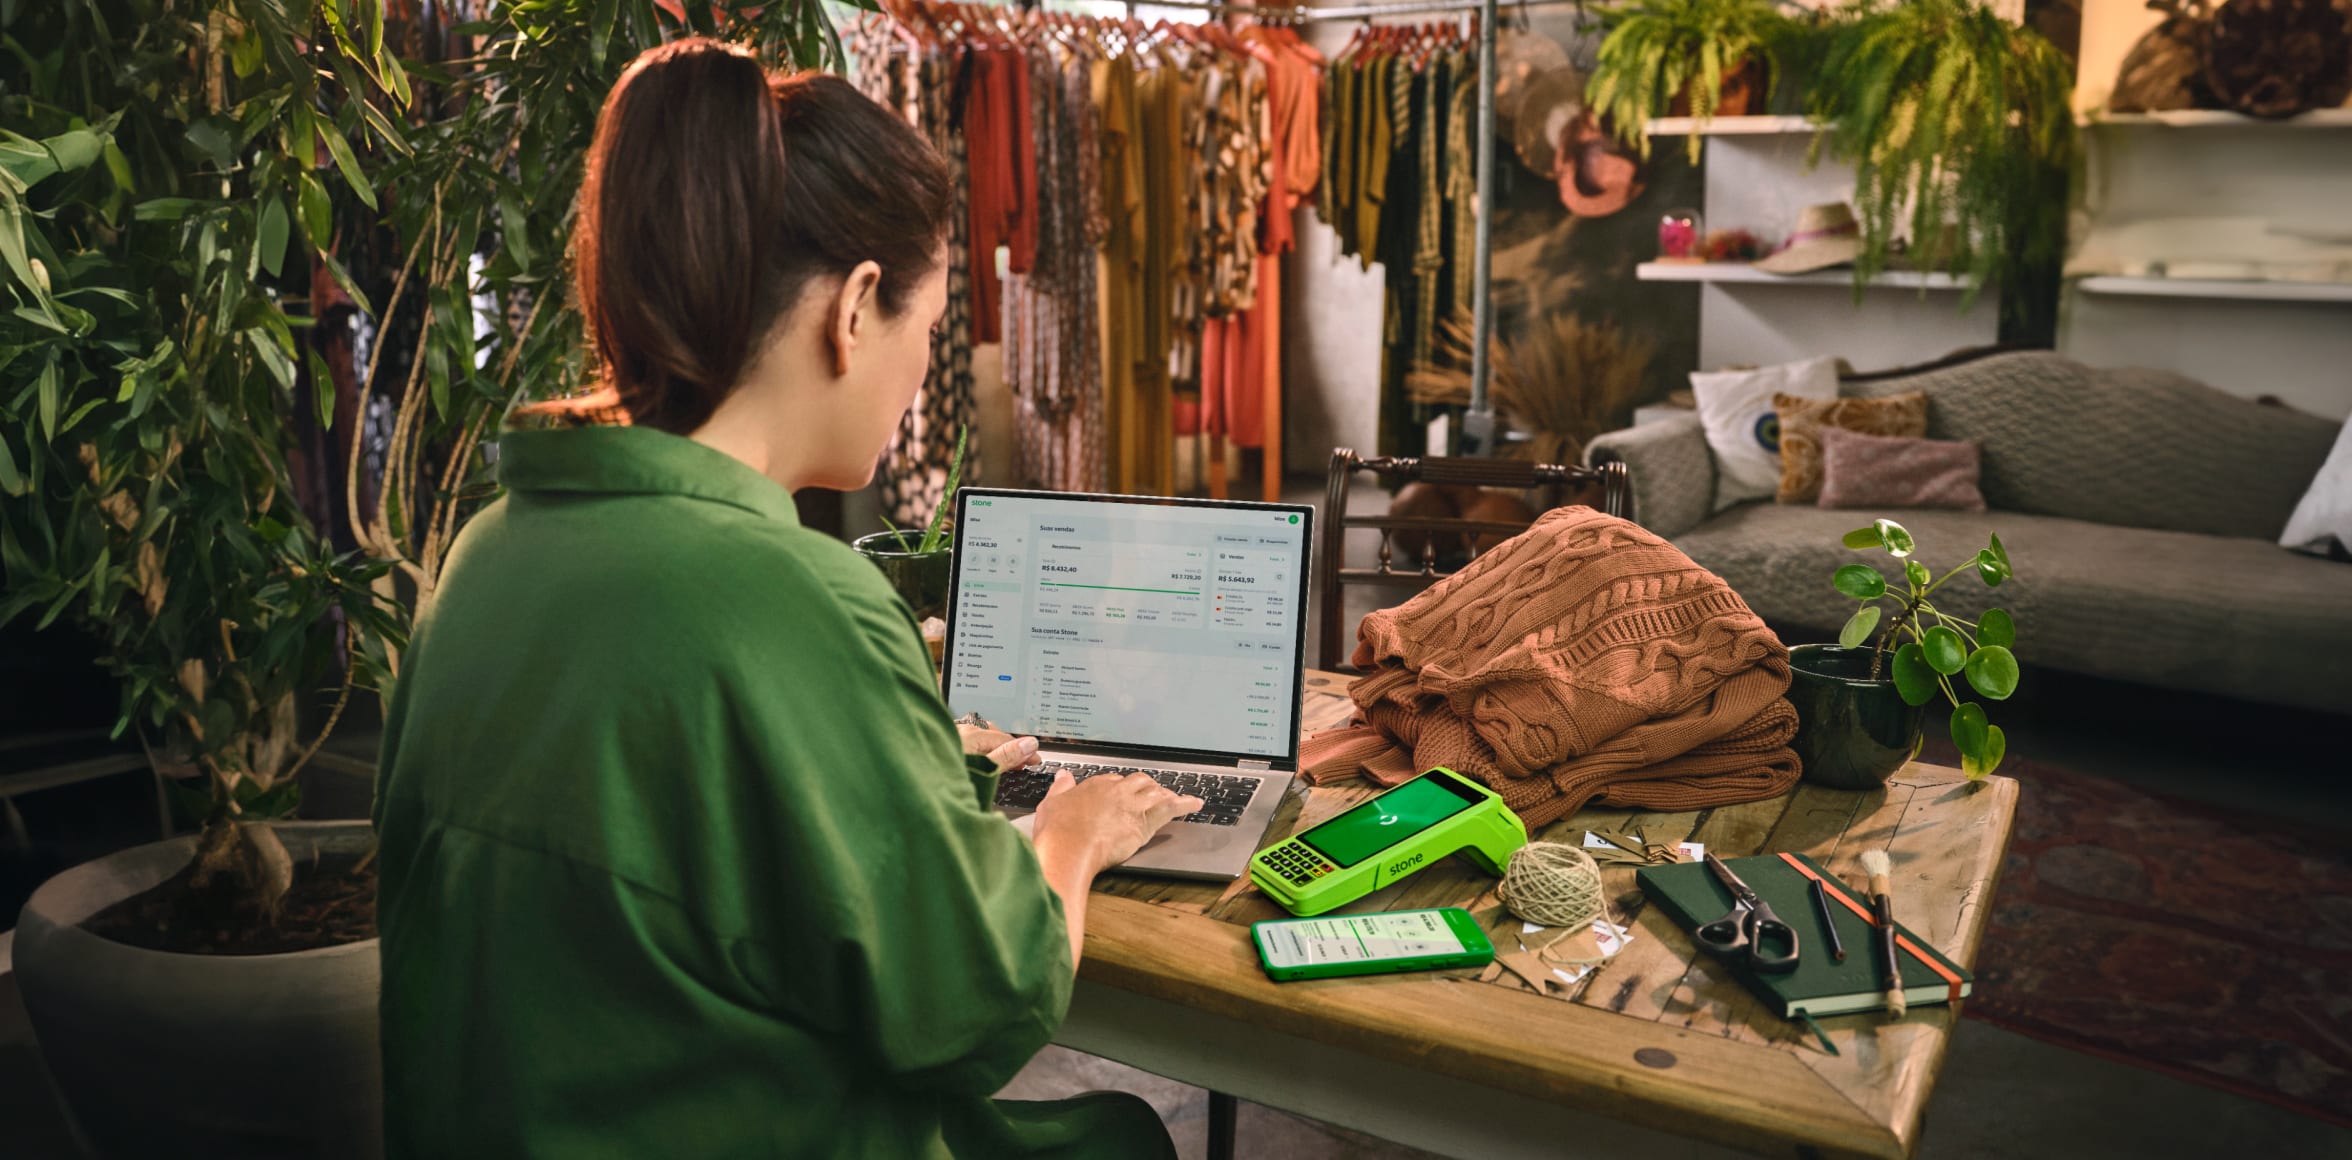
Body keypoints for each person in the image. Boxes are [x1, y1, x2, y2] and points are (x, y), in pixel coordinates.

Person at [372, 39, 1199, 1158]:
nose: (920, 379)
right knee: (1121, 1136)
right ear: (855, 307)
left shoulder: (483, 559)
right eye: (931, 326)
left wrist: (928, 765)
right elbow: (978, 1003)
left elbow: (669, 847)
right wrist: (1069, 831)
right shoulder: (800, 600)